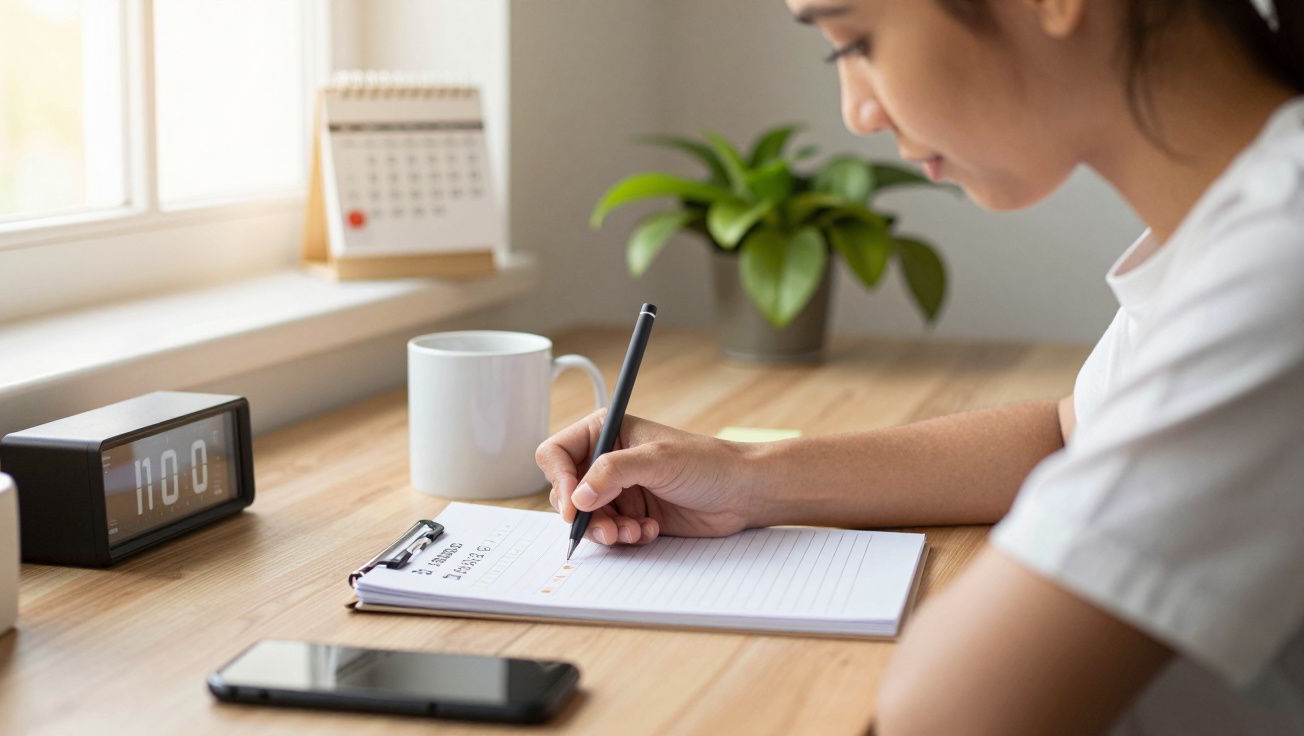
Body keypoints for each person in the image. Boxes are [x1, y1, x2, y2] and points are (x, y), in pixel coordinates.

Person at [537, 0, 1304, 733]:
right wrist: (742, 477)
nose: (857, 111)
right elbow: (1071, 435)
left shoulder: (1279, 266)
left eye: (856, 41)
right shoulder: (1240, 220)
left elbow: (954, 715)